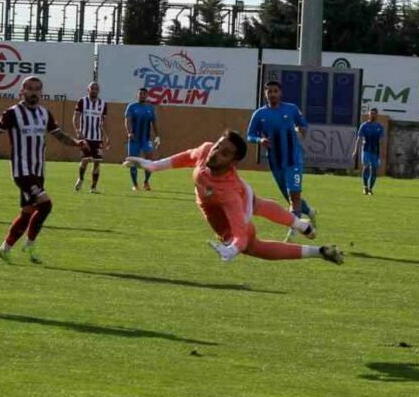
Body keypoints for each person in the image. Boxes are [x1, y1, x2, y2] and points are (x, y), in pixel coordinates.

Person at [123, 130, 344, 265]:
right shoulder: (206, 150)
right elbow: (185, 157)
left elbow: (240, 233)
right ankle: (300, 225)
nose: (216, 153)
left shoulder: (228, 194)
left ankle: (317, 251)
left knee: (252, 245)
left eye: (225, 154)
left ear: (233, 163)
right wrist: (153, 165)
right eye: (218, 147)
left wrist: (233, 248)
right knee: (257, 203)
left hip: (236, 200)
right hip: (242, 191)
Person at [0, 77, 87, 264]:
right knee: (46, 205)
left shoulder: (44, 114)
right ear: (22, 91)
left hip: (38, 171)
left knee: (27, 213)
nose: (33, 92)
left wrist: (76, 143)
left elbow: (59, 135)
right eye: (30, 88)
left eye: (37, 89)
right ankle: (30, 244)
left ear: (41, 92)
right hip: (22, 172)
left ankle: (4, 249)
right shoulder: (12, 113)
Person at [246, 80, 317, 239]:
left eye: (275, 91)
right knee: (289, 196)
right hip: (275, 162)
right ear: (265, 94)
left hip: (293, 159)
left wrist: (301, 129)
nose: (272, 94)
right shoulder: (259, 114)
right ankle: (310, 211)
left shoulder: (291, 109)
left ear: (280, 93)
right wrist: (260, 140)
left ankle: (293, 231)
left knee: (294, 195)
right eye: (269, 91)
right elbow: (250, 135)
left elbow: (303, 124)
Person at [73, 82, 110, 193]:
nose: (94, 90)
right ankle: (80, 178)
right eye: (92, 88)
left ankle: (93, 187)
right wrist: (78, 131)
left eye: (96, 89)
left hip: (97, 138)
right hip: (85, 137)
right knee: (85, 160)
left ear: (98, 91)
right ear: (88, 89)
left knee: (97, 162)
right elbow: (75, 117)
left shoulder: (103, 104)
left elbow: (105, 122)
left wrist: (107, 137)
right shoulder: (82, 102)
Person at [125, 88, 159, 192]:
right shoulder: (132, 107)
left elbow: (154, 123)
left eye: (144, 94)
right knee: (133, 161)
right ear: (137, 95)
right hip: (134, 139)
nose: (142, 96)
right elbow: (127, 120)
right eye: (140, 94)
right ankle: (135, 184)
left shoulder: (150, 108)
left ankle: (146, 182)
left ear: (147, 95)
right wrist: (129, 132)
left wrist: (158, 136)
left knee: (150, 160)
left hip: (146, 139)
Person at [353, 107, 385, 195]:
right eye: (371, 113)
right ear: (369, 114)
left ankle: (370, 189)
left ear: (377, 115)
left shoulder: (380, 127)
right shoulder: (364, 125)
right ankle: (365, 187)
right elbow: (359, 138)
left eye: (374, 113)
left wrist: (382, 152)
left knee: (374, 170)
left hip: (375, 151)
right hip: (366, 149)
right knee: (366, 166)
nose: (372, 115)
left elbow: (381, 140)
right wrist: (355, 150)